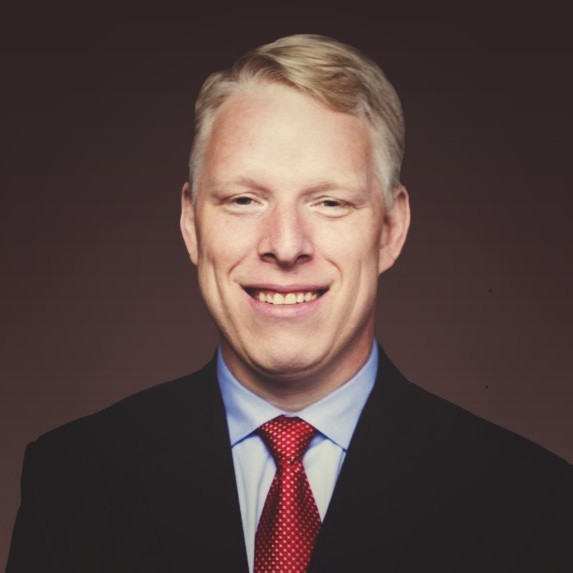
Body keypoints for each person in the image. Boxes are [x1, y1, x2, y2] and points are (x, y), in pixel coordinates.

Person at [6, 34, 572, 573]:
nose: (285, 245)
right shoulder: (72, 479)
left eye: (329, 202)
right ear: (191, 223)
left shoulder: (533, 502)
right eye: (244, 199)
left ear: (390, 229)